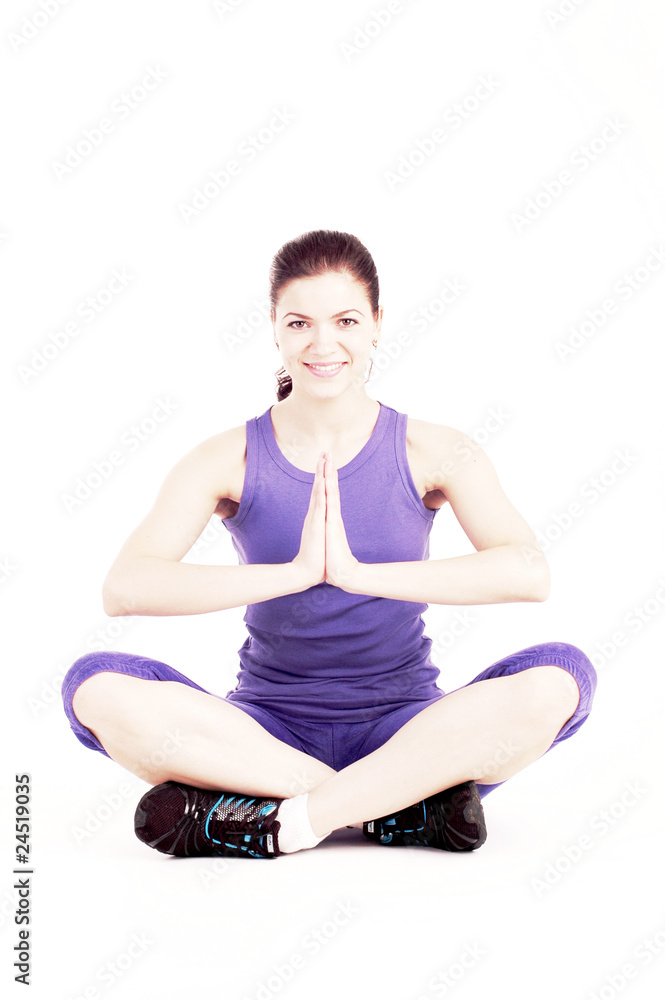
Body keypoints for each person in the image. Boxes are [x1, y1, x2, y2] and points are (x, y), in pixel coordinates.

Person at [62, 229, 596, 860]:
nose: (323, 344)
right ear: (275, 330)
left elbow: (529, 572)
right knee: (92, 686)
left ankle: (283, 820)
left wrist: (356, 573)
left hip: (410, 729)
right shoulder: (224, 457)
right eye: (299, 322)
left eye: (345, 319)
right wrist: (294, 573)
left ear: (375, 325)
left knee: (562, 678)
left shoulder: (433, 449)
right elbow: (125, 588)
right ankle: (397, 809)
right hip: (263, 737)